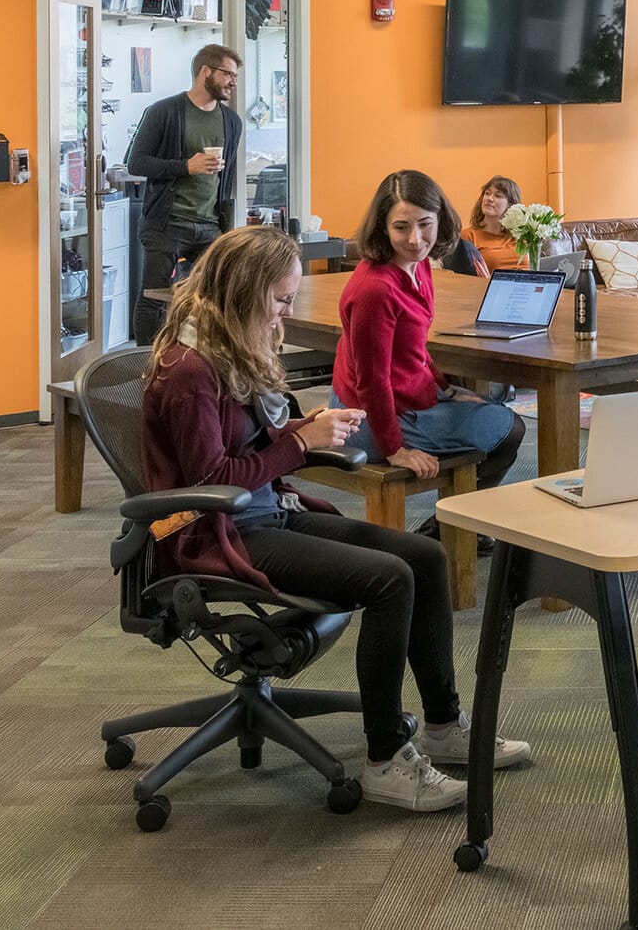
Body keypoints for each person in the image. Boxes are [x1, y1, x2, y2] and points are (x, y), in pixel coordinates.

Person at [137, 225, 531, 809]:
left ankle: (444, 727)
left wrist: (303, 430)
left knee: (423, 554)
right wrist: (298, 447)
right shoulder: (191, 372)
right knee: (388, 579)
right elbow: (210, 482)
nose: (286, 313)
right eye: (280, 300)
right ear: (244, 293)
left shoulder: (222, 350)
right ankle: (384, 759)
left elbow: (243, 449)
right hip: (216, 532)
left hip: (263, 513)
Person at [333, 171, 528, 515]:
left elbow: (415, 349)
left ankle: (456, 523)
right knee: (508, 428)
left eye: (425, 224)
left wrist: (446, 389)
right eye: (401, 227)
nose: (415, 239)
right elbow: (372, 381)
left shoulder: (418, 266)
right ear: (382, 227)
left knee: (488, 408)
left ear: (440, 219)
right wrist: (395, 449)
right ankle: (450, 526)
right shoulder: (375, 290)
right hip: (367, 418)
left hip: (403, 398)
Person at [127, 44, 243, 343]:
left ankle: (199, 359)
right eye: (227, 73)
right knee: (154, 297)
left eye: (235, 75)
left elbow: (225, 177)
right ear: (205, 71)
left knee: (214, 298)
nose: (233, 81)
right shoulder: (164, 112)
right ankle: (146, 365)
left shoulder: (232, 122)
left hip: (210, 225)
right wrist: (185, 166)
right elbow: (137, 162)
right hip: (167, 223)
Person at [453, 175, 524, 277]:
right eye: (487, 193)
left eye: (498, 195)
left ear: (510, 204)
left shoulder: (520, 236)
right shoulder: (468, 237)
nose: (490, 198)